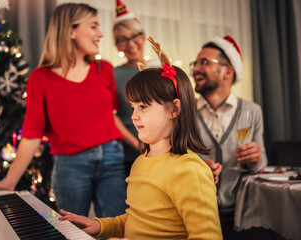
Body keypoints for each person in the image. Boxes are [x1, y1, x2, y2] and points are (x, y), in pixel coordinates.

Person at [58, 37, 223, 240]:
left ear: (174, 109)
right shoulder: (141, 162)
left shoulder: (188, 170)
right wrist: (99, 225)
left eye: (143, 106)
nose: (134, 116)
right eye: (133, 107)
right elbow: (135, 220)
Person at [0, 3, 127, 218]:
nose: (101, 33)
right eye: (94, 26)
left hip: (112, 159)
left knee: (118, 228)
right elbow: (32, 135)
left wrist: (141, 145)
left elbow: (112, 117)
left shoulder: (104, 69)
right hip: (71, 166)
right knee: (74, 231)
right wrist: (9, 181)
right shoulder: (41, 79)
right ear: (71, 31)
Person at [190, 35, 267, 238]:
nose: (195, 68)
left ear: (227, 72)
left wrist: (256, 158)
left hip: (244, 215)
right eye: (195, 63)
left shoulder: (252, 111)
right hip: (197, 215)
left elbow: (261, 165)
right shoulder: (185, 113)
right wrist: (196, 168)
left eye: (204, 62)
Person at [112, 0, 146, 176]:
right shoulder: (113, 74)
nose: (131, 43)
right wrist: (137, 144)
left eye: (135, 36)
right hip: (127, 155)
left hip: (164, 151)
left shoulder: (161, 69)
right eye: (123, 39)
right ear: (117, 44)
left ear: (143, 36)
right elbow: (111, 116)